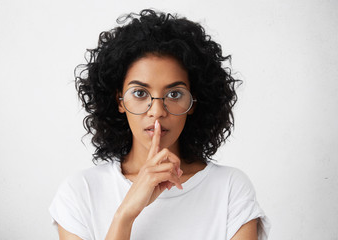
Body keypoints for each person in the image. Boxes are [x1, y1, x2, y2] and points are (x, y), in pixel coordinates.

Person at [49, 9, 270, 240]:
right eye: (140, 93)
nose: (157, 111)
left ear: (193, 102)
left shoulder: (229, 189)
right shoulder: (80, 192)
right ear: (120, 101)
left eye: (174, 94)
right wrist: (125, 214)